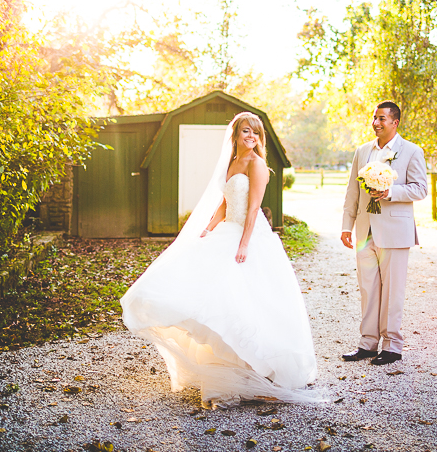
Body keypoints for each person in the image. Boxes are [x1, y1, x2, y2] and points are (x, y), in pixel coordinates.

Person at [120, 112, 319, 408]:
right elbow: (226, 203)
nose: (251, 137)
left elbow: (253, 210)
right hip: (227, 231)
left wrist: (243, 244)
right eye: (246, 131)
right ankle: (227, 373)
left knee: (248, 302)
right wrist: (208, 228)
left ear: (260, 138)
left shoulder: (257, 165)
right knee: (216, 300)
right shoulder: (232, 163)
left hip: (249, 238)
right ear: (236, 135)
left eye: (256, 133)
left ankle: (259, 372)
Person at [340, 101, 428, 366]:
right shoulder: (362, 151)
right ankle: (367, 344)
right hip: (364, 231)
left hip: (394, 231)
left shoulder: (412, 152)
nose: (376, 123)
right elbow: (352, 192)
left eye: (381, 119)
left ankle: (392, 346)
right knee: (367, 289)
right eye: (374, 118)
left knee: (393, 290)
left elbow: (420, 189)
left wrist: (391, 192)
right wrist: (347, 225)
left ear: (395, 123)